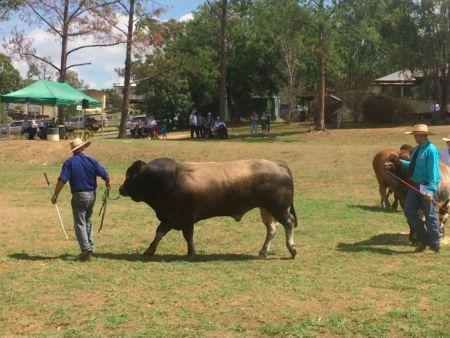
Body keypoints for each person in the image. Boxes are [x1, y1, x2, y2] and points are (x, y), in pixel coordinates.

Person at [51, 137, 110, 261]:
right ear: (83, 148)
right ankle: (90, 246)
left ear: (73, 150)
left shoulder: (69, 163)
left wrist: (55, 195)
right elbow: (105, 175)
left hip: (79, 196)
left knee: (80, 223)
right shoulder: (92, 161)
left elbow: (62, 180)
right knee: (87, 221)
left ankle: (85, 250)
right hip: (92, 195)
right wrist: (107, 183)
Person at [398, 124, 441, 253]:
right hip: (415, 185)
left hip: (426, 186)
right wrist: (401, 162)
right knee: (409, 211)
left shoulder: (431, 150)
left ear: (424, 135)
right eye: (415, 135)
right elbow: (413, 165)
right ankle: (423, 240)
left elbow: (433, 172)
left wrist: (430, 190)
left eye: (417, 135)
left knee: (430, 216)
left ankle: (434, 245)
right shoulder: (416, 149)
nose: (415, 137)